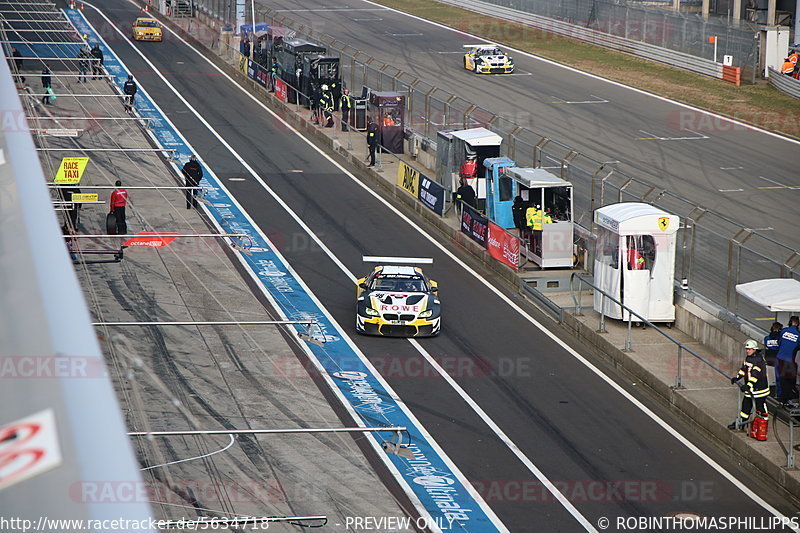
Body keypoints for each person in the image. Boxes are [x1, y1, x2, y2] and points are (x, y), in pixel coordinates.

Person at [728, 339, 769, 431]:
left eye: (749, 349)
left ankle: (763, 426)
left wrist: (748, 385)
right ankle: (741, 423)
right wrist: (737, 377)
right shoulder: (748, 358)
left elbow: (755, 375)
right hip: (750, 389)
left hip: (759, 390)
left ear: (754, 349)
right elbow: (744, 369)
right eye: (747, 349)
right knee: (745, 408)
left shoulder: (759, 360)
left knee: (761, 408)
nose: (747, 351)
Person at [775, 316, 800, 402]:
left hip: (780, 358)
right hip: (790, 360)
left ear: (790, 322)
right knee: (789, 379)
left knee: (780, 379)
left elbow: (779, 342)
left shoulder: (784, 331)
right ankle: (788, 396)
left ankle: (780, 395)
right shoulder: (798, 334)